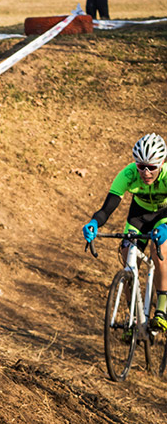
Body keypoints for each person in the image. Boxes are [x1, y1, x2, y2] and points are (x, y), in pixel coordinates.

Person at [82, 133, 167, 332]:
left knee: (159, 250)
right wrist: (94, 222)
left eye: (152, 167)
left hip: (164, 217)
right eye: (141, 166)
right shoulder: (128, 174)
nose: (146, 172)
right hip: (138, 217)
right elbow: (107, 208)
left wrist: (165, 227)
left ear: (162, 163)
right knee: (127, 256)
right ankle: (134, 318)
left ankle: (162, 311)